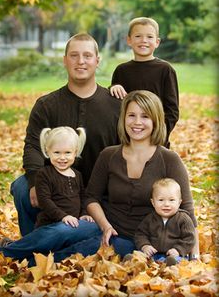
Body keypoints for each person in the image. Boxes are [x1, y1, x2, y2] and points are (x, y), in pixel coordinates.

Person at [42, 90, 199, 262]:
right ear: (123, 118)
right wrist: (105, 226)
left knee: (81, 251)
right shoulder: (109, 155)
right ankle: (15, 253)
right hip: (108, 229)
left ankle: (34, 260)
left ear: (156, 121)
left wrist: (195, 256)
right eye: (131, 115)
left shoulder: (169, 159)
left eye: (145, 116)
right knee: (62, 232)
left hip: (150, 242)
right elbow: (91, 198)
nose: (137, 122)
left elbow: (188, 210)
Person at [11, 33, 121, 236]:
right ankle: (31, 244)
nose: (81, 61)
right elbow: (33, 146)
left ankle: (50, 241)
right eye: (74, 55)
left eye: (87, 56)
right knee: (21, 187)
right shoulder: (46, 105)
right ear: (64, 60)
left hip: (101, 192)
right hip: (55, 186)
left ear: (97, 61)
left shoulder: (116, 105)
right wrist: (35, 182)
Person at [0, 126, 100, 266]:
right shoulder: (45, 174)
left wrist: (84, 213)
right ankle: (0, 252)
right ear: (48, 152)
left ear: (75, 152)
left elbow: (83, 197)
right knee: (46, 240)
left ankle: (30, 261)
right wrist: (63, 216)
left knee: (62, 246)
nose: (62, 157)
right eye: (57, 152)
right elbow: (45, 201)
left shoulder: (77, 175)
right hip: (50, 224)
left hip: (71, 225)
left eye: (67, 153)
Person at [110, 17, 179, 148]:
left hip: (156, 140)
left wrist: (159, 135)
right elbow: (116, 105)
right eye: (138, 36)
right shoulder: (122, 70)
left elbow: (172, 110)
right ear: (129, 40)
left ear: (157, 42)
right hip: (128, 139)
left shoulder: (165, 70)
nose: (144, 41)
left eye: (149, 37)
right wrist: (114, 87)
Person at [134, 178, 196, 266]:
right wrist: (145, 245)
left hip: (174, 254)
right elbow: (140, 234)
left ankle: (170, 264)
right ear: (153, 202)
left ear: (179, 202)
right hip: (154, 254)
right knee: (141, 257)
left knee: (178, 261)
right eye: (161, 200)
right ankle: (133, 261)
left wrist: (178, 249)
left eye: (171, 200)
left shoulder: (183, 219)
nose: (166, 204)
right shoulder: (150, 219)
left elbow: (189, 238)